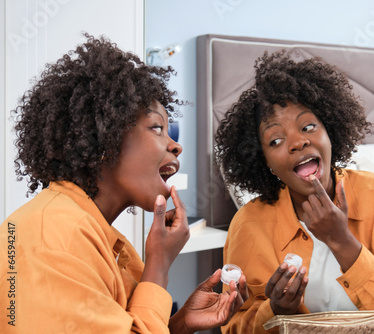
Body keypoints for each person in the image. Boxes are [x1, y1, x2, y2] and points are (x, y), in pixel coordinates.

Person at [0, 34, 248, 334]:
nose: (176, 146)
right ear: (106, 139)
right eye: (157, 128)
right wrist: (159, 265)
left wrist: (179, 324)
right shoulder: (54, 244)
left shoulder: (92, 234)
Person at [215, 51, 374, 333]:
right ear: (265, 162)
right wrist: (275, 310)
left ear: (330, 131)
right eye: (276, 141)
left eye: (308, 126)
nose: (297, 142)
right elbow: (234, 327)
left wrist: (341, 240)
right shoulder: (248, 226)